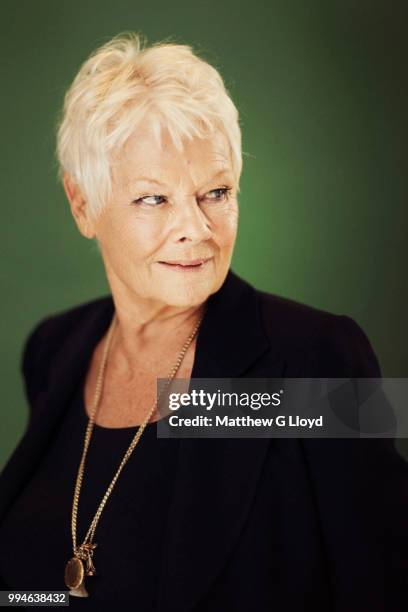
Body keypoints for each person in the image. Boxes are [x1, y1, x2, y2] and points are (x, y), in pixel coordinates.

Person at [0, 32, 407, 611]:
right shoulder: (53, 350)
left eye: (215, 191)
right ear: (82, 204)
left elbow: (385, 584)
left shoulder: (319, 356)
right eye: (153, 199)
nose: (195, 228)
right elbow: (32, 589)